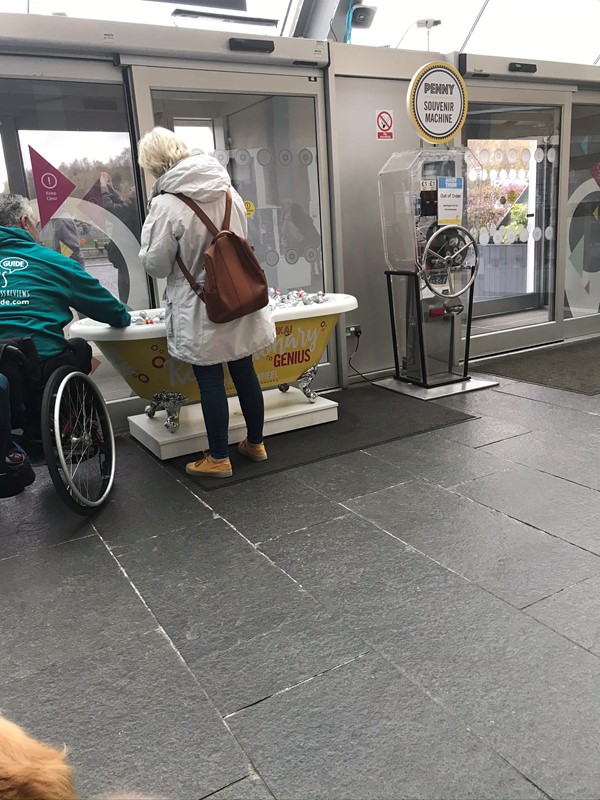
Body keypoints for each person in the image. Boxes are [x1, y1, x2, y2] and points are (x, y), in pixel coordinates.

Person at [138, 127, 274, 479]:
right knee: (245, 371)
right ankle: (255, 443)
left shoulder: (166, 204)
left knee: (211, 381)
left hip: (201, 308)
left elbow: (156, 265)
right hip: (238, 298)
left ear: (153, 165)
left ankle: (218, 457)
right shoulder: (228, 191)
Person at [0, 193, 131, 376]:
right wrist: (124, 318)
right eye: (36, 225)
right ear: (25, 222)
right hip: (41, 364)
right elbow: (110, 310)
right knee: (80, 348)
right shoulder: (55, 263)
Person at [100, 172, 141, 304]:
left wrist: (103, 188)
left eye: (134, 188)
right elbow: (121, 206)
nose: (131, 189)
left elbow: (110, 209)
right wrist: (112, 190)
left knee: (127, 299)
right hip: (129, 261)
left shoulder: (132, 209)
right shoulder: (135, 209)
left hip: (127, 264)